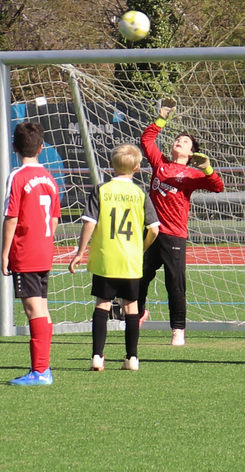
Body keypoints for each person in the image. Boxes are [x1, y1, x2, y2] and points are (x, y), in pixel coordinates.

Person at [139, 98, 224, 346]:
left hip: (174, 235)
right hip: (151, 232)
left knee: (175, 284)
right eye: (178, 138)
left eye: (185, 141)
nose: (179, 141)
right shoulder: (160, 164)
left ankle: (178, 329)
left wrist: (207, 168)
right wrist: (161, 118)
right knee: (139, 277)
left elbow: (218, 186)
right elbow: (146, 140)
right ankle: (139, 313)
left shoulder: (193, 174)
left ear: (191, 152)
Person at [69, 144, 159, 371]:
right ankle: (132, 358)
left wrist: (80, 252)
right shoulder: (140, 193)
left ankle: (97, 356)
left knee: (102, 304)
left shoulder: (102, 190)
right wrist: (141, 248)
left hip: (105, 258)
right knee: (131, 307)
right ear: (137, 168)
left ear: (111, 164)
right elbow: (155, 229)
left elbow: (89, 223)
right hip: (130, 260)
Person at [1, 121, 61, 386]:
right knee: (43, 308)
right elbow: (55, 218)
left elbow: (11, 217)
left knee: (33, 308)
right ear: (41, 148)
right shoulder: (49, 177)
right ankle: (43, 367)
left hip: (25, 251)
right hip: (45, 249)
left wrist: (4, 253)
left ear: (14, 147)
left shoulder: (17, 176)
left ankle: (40, 371)